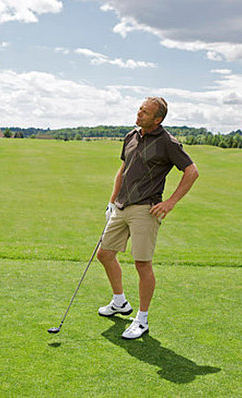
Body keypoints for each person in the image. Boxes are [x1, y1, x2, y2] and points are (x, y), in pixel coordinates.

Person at [96, 97, 199, 339]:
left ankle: (141, 319)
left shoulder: (168, 143)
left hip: (146, 209)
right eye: (140, 109)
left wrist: (170, 203)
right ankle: (120, 302)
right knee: (104, 254)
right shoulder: (131, 136)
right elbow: (123, 169)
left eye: (145, 112)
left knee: (142, 263)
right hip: (121, 206)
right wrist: (112, 201)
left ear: (158, 119)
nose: (139, 113)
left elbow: (192, 172)